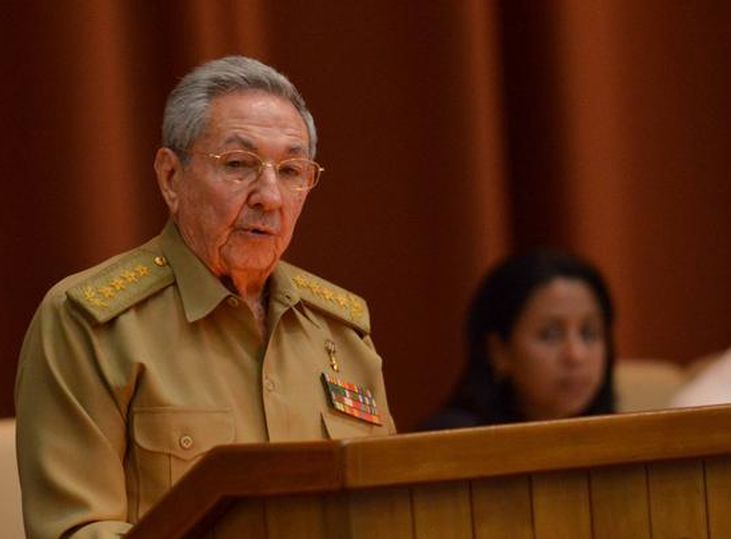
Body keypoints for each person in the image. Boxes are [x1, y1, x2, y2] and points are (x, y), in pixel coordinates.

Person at [15, 56, 395, 538]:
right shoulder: (88, 322)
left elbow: (387, 511)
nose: (270, 196)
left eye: (293, 171)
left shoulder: (342, 329)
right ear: (171, 177)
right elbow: (74, 531)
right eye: (239, 165)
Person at [422, 249, 615, 429]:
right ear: (499, 351)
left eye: (588, 333)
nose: (576, 355)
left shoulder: (621, 438)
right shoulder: (452, 441)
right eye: (551, 335)